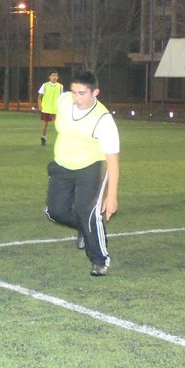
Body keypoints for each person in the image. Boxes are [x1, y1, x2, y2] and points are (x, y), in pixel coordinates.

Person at [46, 70, 120, 277]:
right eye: (73, 92)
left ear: (95, 92)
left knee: (86, 212)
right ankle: (86, 228)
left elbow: (113, 160)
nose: (76, 98)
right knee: (55, 212)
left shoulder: (103, 120)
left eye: (81, 93)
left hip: (91, 168)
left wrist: (111, 196)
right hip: (61, 166)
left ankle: (100, 259)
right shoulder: (63, 101)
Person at [37, 70, 63, 146]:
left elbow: (61, 98)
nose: (55, 77)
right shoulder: (45, 85)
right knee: (45, 124)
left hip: (56, 109)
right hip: (46, 108)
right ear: (49, 77)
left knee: (59, 125)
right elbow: (39, 97)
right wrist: (39, 105)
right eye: (53, 75)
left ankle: (61, 141)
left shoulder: (60, 86)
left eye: (56, 75)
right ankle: (43, 137)